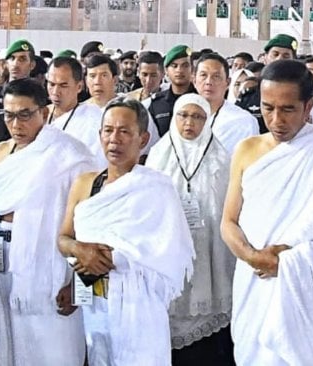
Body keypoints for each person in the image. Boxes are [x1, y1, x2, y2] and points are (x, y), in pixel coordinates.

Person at [221, 59, 313, 365]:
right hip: (254, 282)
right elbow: (229, 222)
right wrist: (252, 257)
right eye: (267, 108)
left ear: (309, 105)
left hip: (305, 285)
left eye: (287, 109)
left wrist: (287, 261)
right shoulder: (247, 149)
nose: (276, 119)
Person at [57, 97, 195, 365]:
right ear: (99, 135)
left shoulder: (156, 188)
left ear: (142, 139)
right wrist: (79, 250)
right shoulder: (86, 183)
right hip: (95, 301)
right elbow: (64, 237)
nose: (114, 139)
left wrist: (116, 260)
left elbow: (171, 255)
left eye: (124, 132)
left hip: (139, 307)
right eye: (108, 130)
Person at [0, 78, 95, 365]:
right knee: (7, 344)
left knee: (53, 347)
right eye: (8, 115)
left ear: (44, 113)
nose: (15, 123)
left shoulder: (71, 155)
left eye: (25, 114)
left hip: (52, 270)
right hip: (4, 263)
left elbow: (89, 224)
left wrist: (79, 285)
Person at [146, 93, 236, 365]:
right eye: (183, 115)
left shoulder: (221, 158)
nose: (189, 123)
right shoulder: (159, 155)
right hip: (170, 248)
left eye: (198, 117)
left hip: (210, 250)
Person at [193, 53, 258, 154]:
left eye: (216, 76)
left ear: (227, 83)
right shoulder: (183, 115)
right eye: (203, 75)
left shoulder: (243, 121)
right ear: (194, 81)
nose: (209, 82)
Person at [46, 56, 105, 166]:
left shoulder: (94, 121)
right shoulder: (39, 115)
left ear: (79, 87)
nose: (55, 92)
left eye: (63, 86)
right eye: (51, 84)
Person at [0, 39, 35, 143]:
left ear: (32, 65)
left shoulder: (39, 98)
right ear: (6, 63)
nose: (16, 64)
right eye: (12, 58)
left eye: (22, 59)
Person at [143, 45, 197, 137]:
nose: (179, 70)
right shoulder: (156, 104)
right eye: (174, 66)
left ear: (192, 69)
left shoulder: (200, 100)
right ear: (166, 71)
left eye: (185, 66)